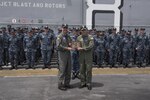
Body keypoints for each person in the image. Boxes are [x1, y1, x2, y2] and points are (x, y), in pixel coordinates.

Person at [57, 24, 72, 91]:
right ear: (62, 28)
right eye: (64, 28)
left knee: (68, 70)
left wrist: (71, 45)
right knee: (62, 70)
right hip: (62, 55)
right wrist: (67, 48)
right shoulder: (59, 36)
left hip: (68, 54)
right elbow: (58, 46)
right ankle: (60, 84)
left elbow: (70, 43)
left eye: (66, 28)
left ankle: (67, 83)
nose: (65, 29)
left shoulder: (68, 36)